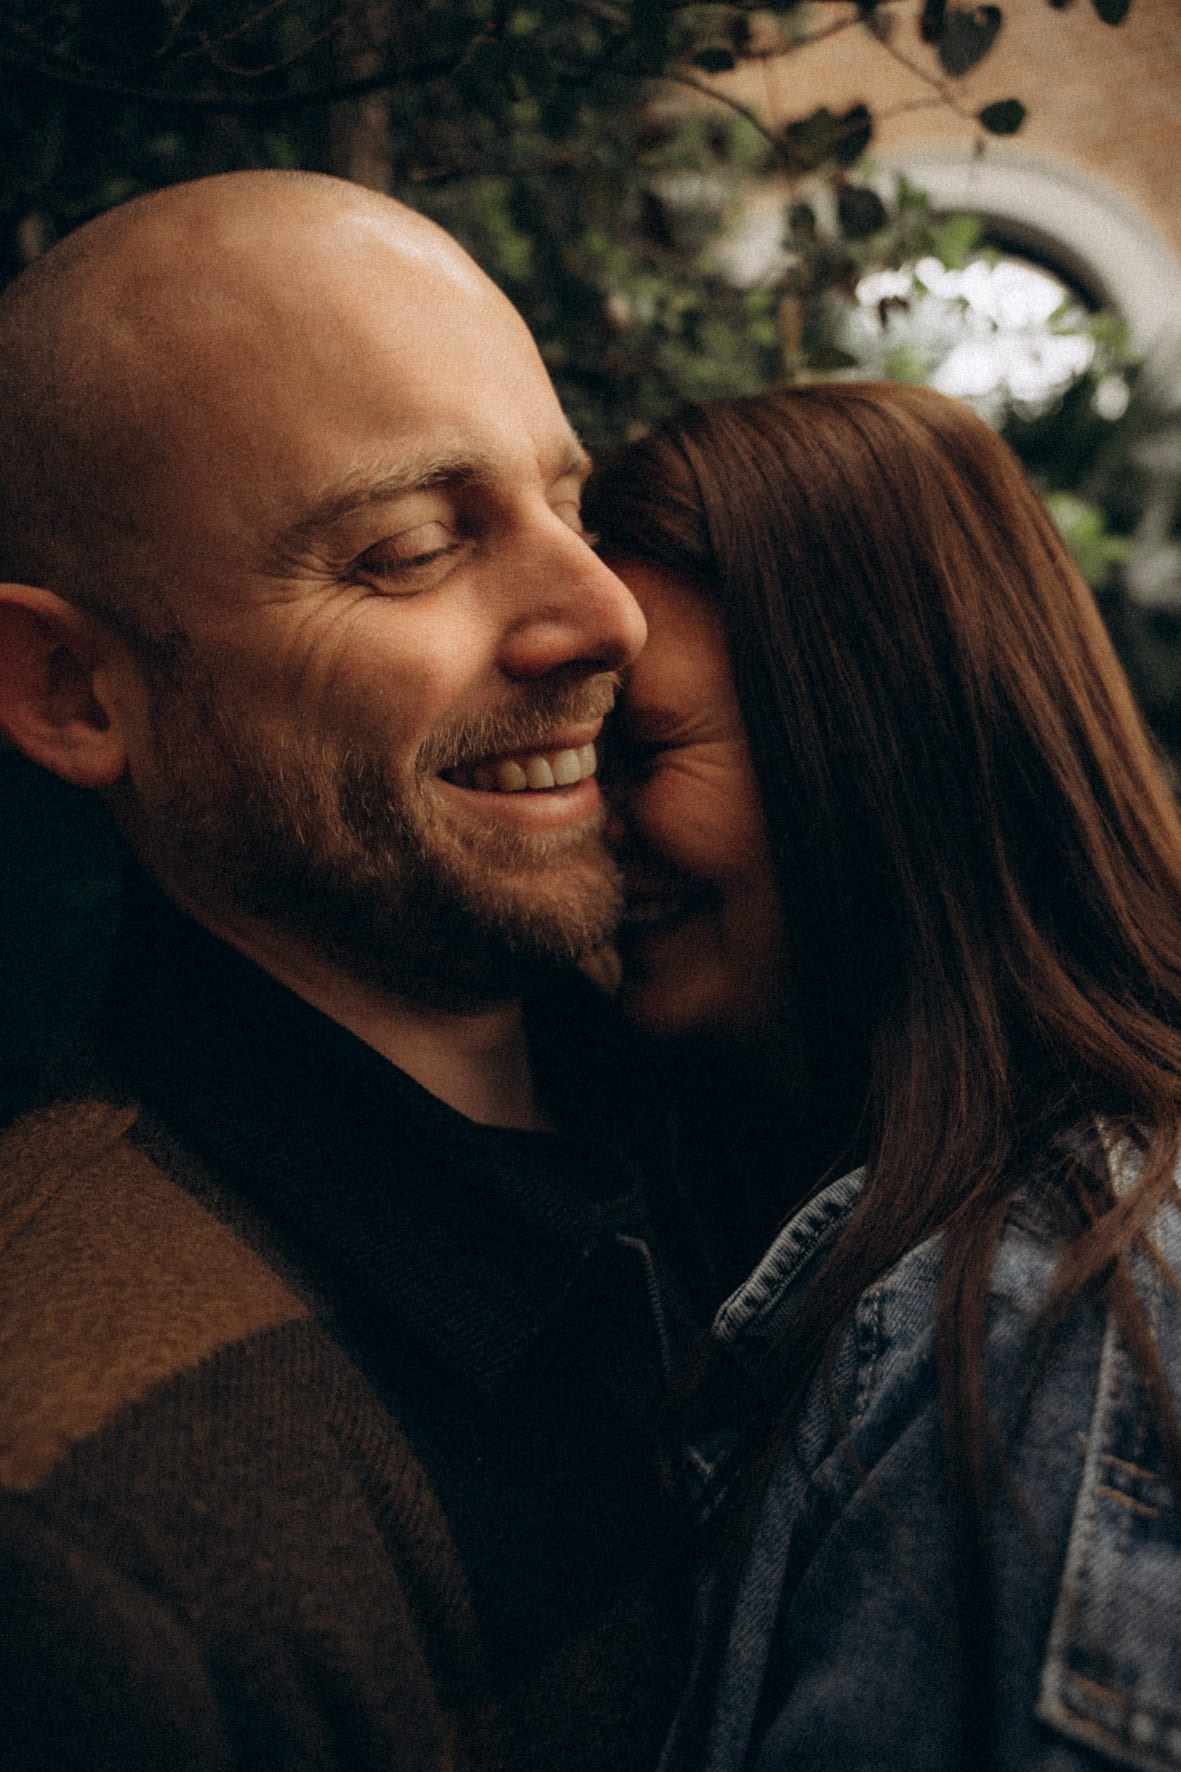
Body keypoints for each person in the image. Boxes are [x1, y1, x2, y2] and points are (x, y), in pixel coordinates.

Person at [0, 170, 712, 1772]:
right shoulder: (83, 1535)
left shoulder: (750, 1102)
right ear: (70, 689)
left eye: (571, 506)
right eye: (405, 547)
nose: (598, 614)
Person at [585, 380, 1181, 1772]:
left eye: (641, 749)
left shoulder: (1042, 1321)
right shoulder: (818, 1195)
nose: (584, 823)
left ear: (865, 742)